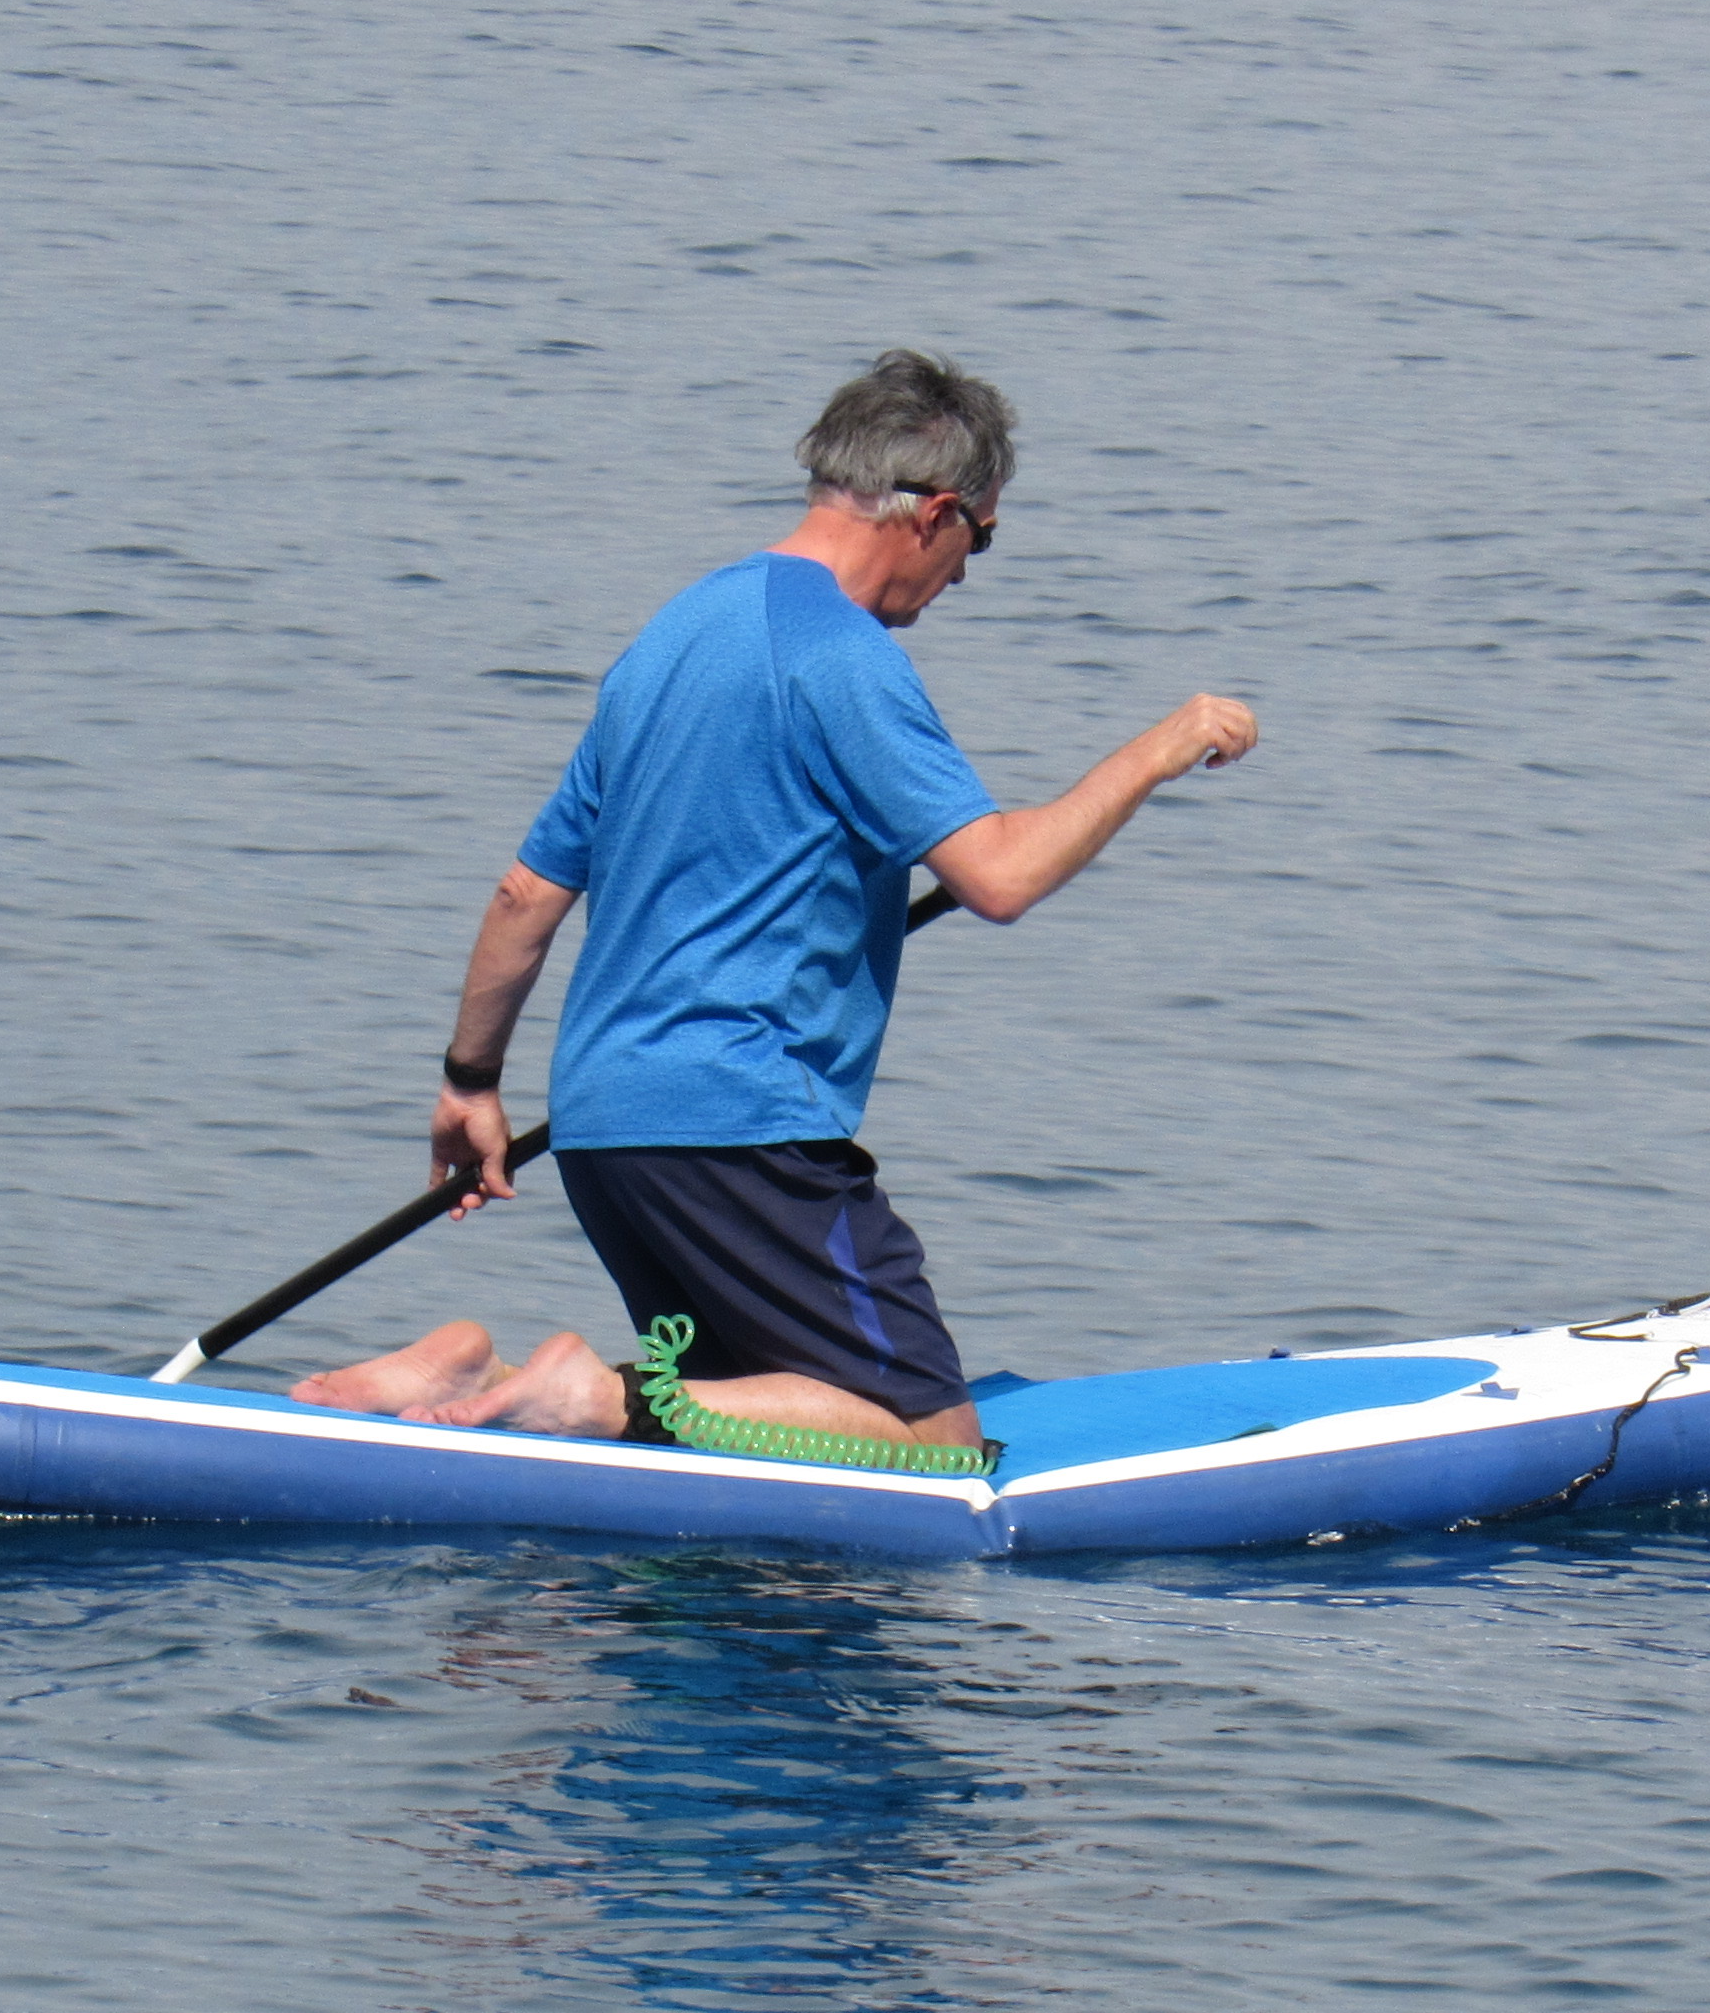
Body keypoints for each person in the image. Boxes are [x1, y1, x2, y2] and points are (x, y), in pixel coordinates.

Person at [294, 350, 1257, 1453]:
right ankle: (580, 1393)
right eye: (978, 541)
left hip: (612, 1130)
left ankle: (467, 1374)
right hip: (743, 1130)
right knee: (930, 1440)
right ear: (934, 513)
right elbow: (998, 875)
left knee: (758, 1414)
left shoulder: (669, 638)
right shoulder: (839, 656)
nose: (963, 577)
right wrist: (1163, 747)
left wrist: (470, 1083)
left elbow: (527, 893)